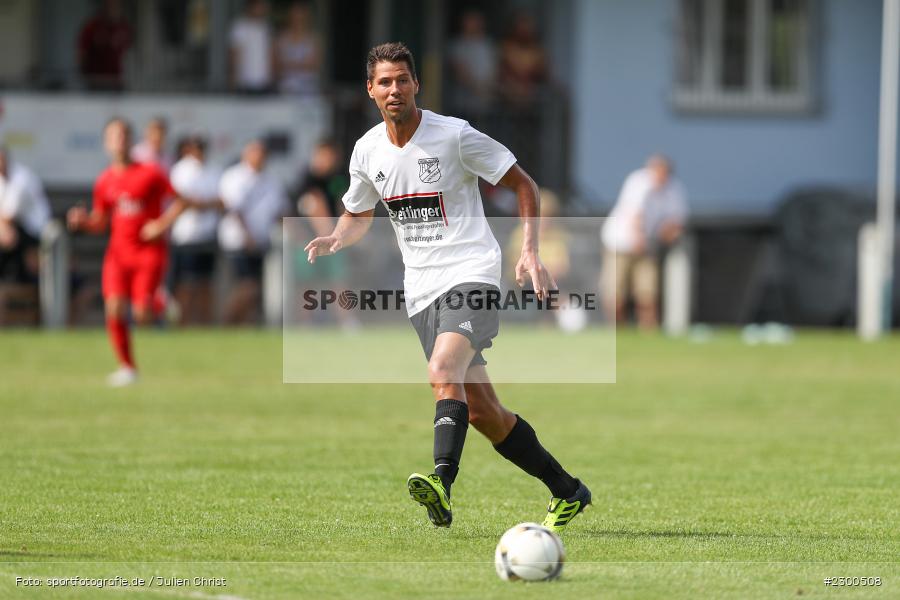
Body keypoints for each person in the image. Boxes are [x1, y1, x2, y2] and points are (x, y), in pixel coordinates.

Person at [304, 42, 591, 531]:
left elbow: (523, 184)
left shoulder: (454, 135)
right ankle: (567, 491)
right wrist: (336, 236)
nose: (395, 89)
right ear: (370, 90)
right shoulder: (367, 150)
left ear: (417, 84)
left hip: (472, 271)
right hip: (421, 290)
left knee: (442, 369)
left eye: (403, 80)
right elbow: (358, 213)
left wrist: (529, 250)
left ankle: (441, 482)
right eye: (384, 82)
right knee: (484, 414)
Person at [66, 118, 187, 386]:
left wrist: (160, 225)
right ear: (106, 142)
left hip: (148, 251)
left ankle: (160, 303)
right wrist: (83, 221)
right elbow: (100, 221)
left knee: (142, 315)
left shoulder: (150, 172)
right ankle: (127, 367)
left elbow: (180, 201)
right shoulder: (105, 181)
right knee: (114, 308)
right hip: (118, 254)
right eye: (114, 136)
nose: (119, 141)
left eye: (123, 135)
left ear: (131, 140)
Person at [600, 154, 688, 329]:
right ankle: (617, 330)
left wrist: (667, 235)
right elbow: (636, 217)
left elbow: (676, 221)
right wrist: (640, 239)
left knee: (647, 292)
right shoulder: (638, 181)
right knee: (615, 292)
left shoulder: (674, 189)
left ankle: (648, 331)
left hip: (647, 247)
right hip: (620, 244)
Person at [218, 140, 286, 324]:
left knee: (255, 289)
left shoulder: (271, 180)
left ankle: (242, 326)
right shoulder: (234, 177)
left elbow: (279, 211)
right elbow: (234, 209)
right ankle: (227, 322)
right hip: (238, 242)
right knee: (246, 286)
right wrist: (247, 236)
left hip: (261, 242)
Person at [168, 135, 223, 325]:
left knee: (205, 283)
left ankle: (204, 323)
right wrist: (201, 203)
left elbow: (221, 200)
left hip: (207, 234)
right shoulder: (180, 170)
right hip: (186, 235)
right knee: (186, 283)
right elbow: (180, 199)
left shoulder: (214, 169)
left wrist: (202, 204)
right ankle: (182, 324)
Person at [0, 147, 50, 284]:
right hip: (17, 229)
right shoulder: (2, 179)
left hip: (36, 232)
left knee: (8, 236)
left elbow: (8, 217)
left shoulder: (22, 178)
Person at [447, 10, 496, 119]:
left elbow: (494, 71)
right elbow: (460, 71)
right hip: (463, 105)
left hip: (486, 104)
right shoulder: (457, 45)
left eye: (476, 21)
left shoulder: (487, 45)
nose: (473, 25)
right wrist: (479, 89)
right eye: (469, 21)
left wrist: (488, 89)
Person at [77, 0, 133, 91]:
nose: (114, 9)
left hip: (116, 80)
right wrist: (83, 75)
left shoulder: (123, 27)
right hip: (95, 81)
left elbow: (129, 52)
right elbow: (81, 53)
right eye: (111, 5)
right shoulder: (92, 27)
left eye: (116, 6)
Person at [275, 2, 321, 96]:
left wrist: (288, 65)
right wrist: (303, 64)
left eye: (300, 14)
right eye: (294, 14)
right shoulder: (281, 38)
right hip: (286, 88)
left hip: (308, 89)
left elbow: (314, 65)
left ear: (306, 16)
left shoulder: (312, 39)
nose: (297, 18)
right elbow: (276, 66)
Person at [229, 0, 275, 93]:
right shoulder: (240, 27)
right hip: (244, 82)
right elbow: (234, 55)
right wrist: (233, 78)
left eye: (262, 7)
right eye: (259, 6)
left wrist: (272, 77)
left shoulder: (267, 28)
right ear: (251, 7)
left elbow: (271, 54)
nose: (261, 9)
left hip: (264, 82)